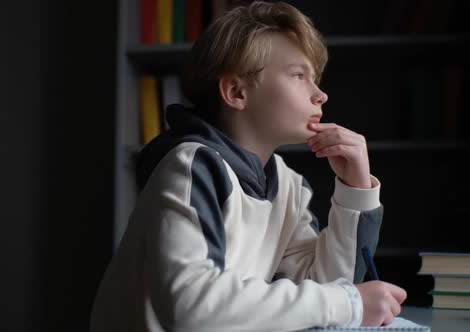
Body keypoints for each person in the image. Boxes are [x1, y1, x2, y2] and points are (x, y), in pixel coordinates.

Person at [90, 1, 407, 331]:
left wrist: (356, 190)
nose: (320, 94)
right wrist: (350, 303)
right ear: (236, 91)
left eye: (315, 78)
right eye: (299, 75)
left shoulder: (287, 183)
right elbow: (192, 308)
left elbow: (325, 285)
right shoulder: (191, 165)